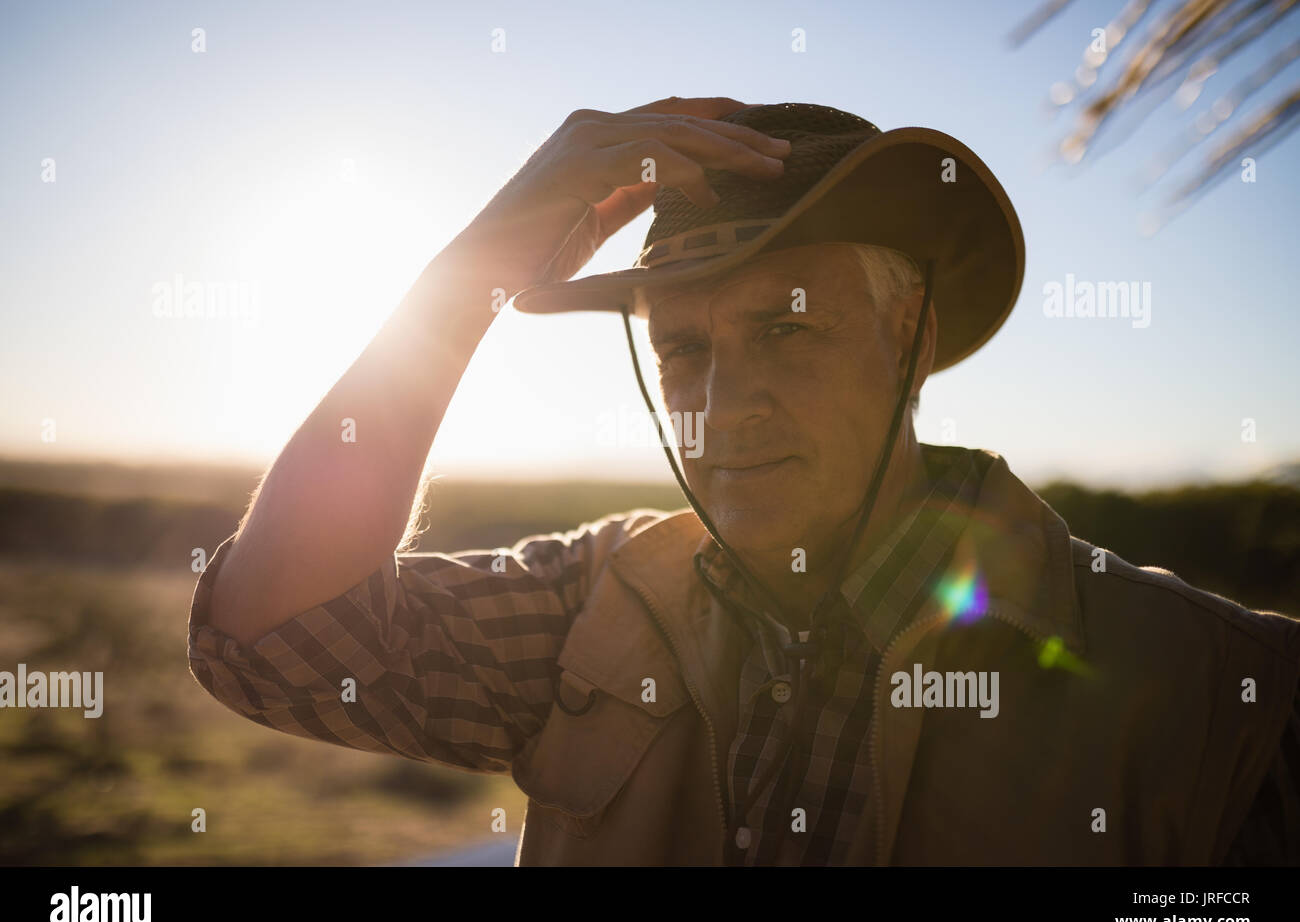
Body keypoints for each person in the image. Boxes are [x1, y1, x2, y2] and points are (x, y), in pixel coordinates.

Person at [188, 98, 1300, 865]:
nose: (726, 403)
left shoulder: (1222, 697)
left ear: (905, 333)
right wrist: (465, 276)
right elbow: (277, 635)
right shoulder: (595, 605)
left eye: (787, 326)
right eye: (683, 350)